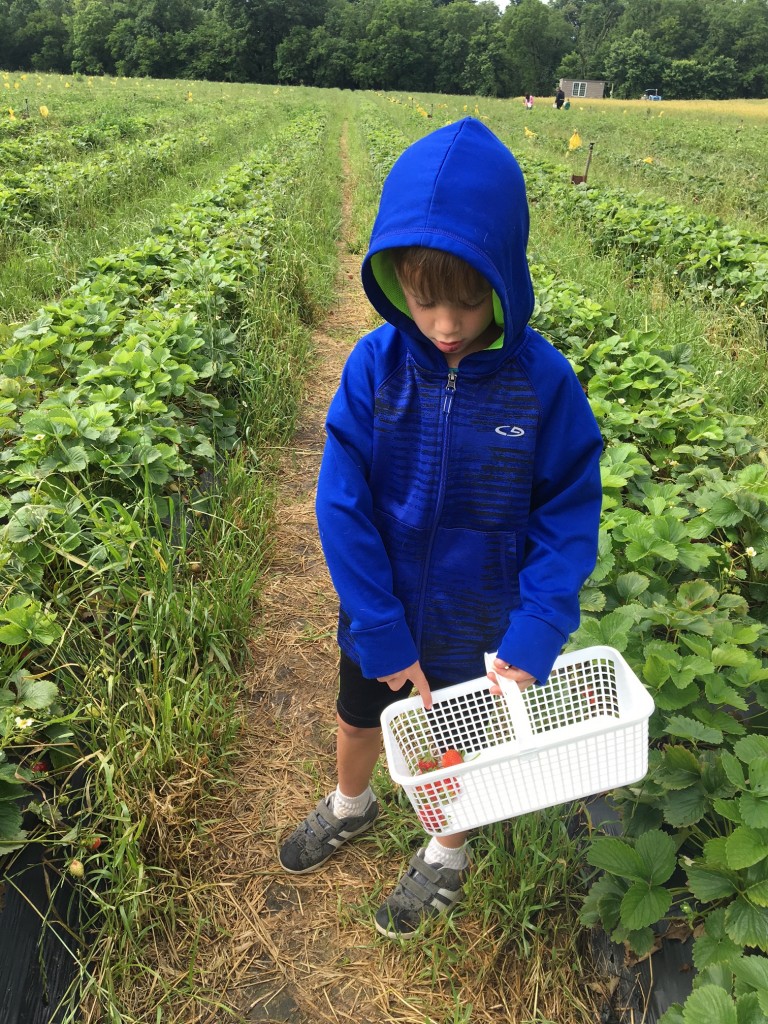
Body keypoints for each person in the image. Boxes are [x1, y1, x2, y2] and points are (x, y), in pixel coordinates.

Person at [278, 117, 603, 940]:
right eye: (426, 302)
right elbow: (341, 505)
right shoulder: (375, 368)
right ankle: (351, 803)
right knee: (359, 716)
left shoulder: (544, 385)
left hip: (482, 626)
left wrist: (535, 634)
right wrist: (380, 628)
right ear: (395, 280)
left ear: (507, 281)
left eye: (468, 300)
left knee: (463, 751)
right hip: (383, 615)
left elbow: (567, 514)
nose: (448, 325)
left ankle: (445, 852)